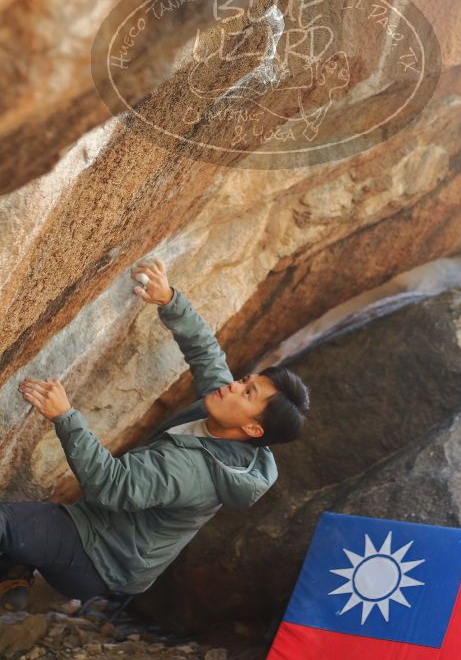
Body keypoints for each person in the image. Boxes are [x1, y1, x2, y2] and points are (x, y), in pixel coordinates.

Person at [0, 258, 310, 611]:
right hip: (106, 534)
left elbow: (111, 486)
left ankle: (18, 564)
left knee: (7, 523)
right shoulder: (228, 416)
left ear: (253, 428)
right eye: (245, 382)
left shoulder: (195, 472)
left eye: (248, 394)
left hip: (100, 561)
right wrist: (170, 300)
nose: (235, 387)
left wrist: (65, 416)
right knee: (25, 526)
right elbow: (206, 355)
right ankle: (11, 580)